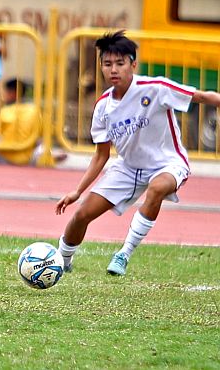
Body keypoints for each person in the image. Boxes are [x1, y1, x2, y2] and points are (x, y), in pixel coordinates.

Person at [55, 30, 220, 276]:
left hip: (168, 164)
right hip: (128, 168)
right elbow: (101, 155)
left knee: (156, 189)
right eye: (107, 64)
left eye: (120, 64)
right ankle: (61, 262)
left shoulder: (155, 88)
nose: (114, 70)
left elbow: (200, 96)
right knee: (81, 215)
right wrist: (78, 191)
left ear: (133, 64)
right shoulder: (103, 107)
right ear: (101, 67)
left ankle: (124, 254)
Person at [0, 78, 42, 165]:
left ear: (13, 94)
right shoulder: (35, 111)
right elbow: (39, 139)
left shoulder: (3, 112)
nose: (3, 95)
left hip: (4, 158)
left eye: (5, 92)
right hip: (28, 158)